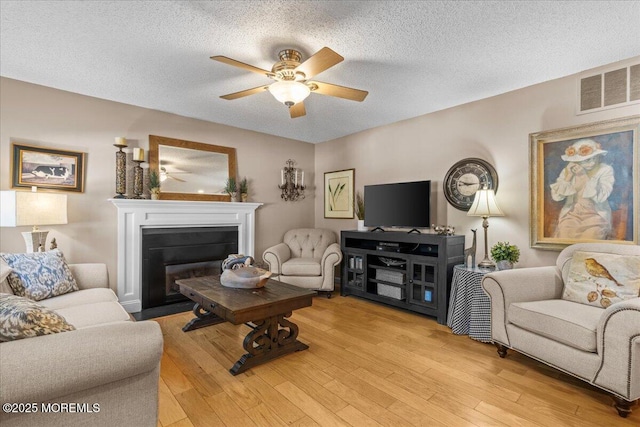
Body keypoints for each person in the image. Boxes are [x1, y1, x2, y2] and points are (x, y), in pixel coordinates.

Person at [550, 138, 614, 240]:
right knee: (565, 233)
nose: (592, 163)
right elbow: (557, 197)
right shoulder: (569, 170)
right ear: (577, 161)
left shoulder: (604, 170)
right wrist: (568, 176)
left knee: (591, 237)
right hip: (572, 215)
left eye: (595, 158)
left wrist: (583, 176)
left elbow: (601, 197)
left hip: (595, 215)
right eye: (587, 160)